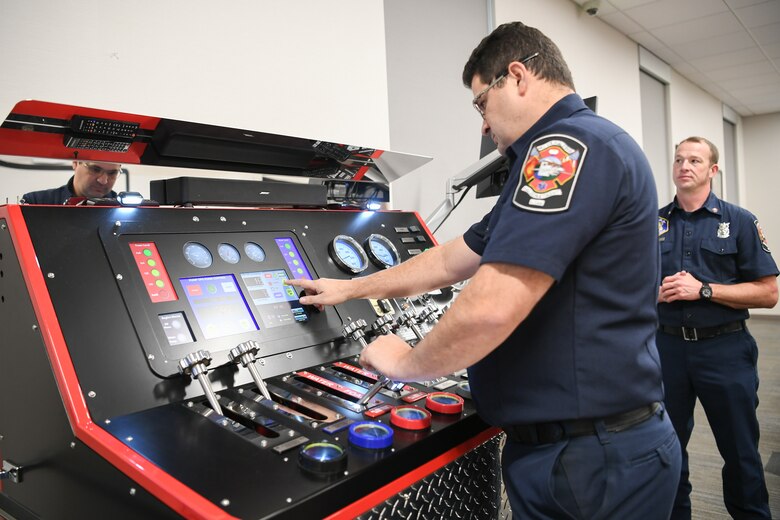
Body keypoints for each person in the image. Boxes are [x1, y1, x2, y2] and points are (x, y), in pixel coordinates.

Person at [288, 21, 681, 518]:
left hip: (593, 458)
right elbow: (453, 258)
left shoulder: (563, 150)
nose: (482, 124)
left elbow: (491, 308)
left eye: (480, 104)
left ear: (517, 76)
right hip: (579, 448)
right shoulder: (572, 150)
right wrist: (351, 287)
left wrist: (405, 364)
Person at [657, 136, 778, 519]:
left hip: (725, 350)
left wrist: (704, 290)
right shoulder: (653, 223)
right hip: (667, 351)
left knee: (740, 451)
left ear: (712, 170)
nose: (684, 166)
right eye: (678, 159)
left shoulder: (739, 221)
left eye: (694, 160)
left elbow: (768, 293)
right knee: (667, 449)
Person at [20, 160, 122, 204]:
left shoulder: (125, 209)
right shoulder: (37, 203)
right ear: (75, 163)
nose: (103, 180)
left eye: (112, 173)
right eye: (95, 169)